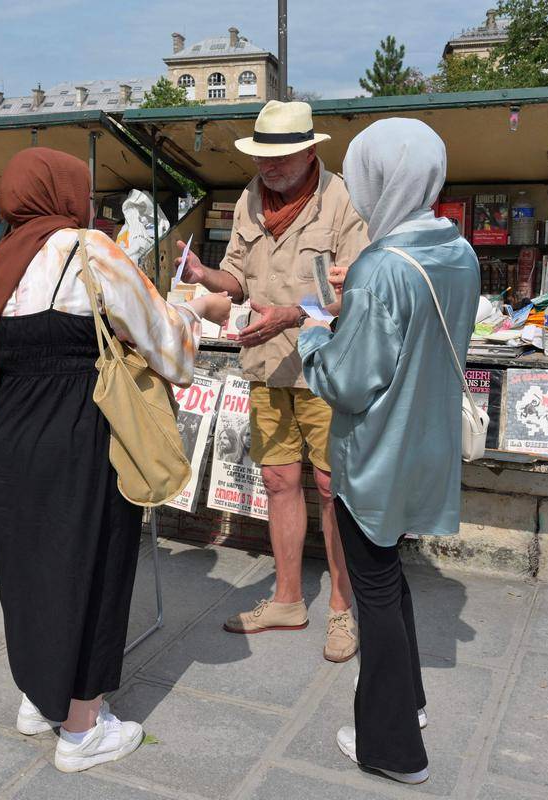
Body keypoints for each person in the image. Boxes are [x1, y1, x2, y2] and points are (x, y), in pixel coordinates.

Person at [0, 147, 230, 773]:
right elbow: (171, 350)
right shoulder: (89, 249)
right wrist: (201, 310)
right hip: (82, 431)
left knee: (30, 569)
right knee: (95, 565)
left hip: (10, 434)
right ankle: (83, 727)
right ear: (64, 193)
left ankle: (39, 696)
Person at [297, 117, 480, 785]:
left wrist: (316, 334)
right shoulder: (459, 253)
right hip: (427, 446)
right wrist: (361, 309)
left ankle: (393, 748)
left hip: (375, 453)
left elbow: (348, 381)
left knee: (372, 588)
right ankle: (412, 703)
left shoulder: (380, 265)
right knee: (389, 578)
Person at [177, 100, 367, 661]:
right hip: (265, 366)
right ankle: (287, 598)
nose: (269, 166)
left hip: (325, 368)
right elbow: (235, 277)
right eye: (262, 156)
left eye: (281, 156)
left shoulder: (343, 201)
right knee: (281, 482)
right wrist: (204, 275)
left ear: (310, 151)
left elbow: (351, 288)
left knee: (335, 489)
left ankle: (340, 606)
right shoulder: (249, 200)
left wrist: (291, 313)